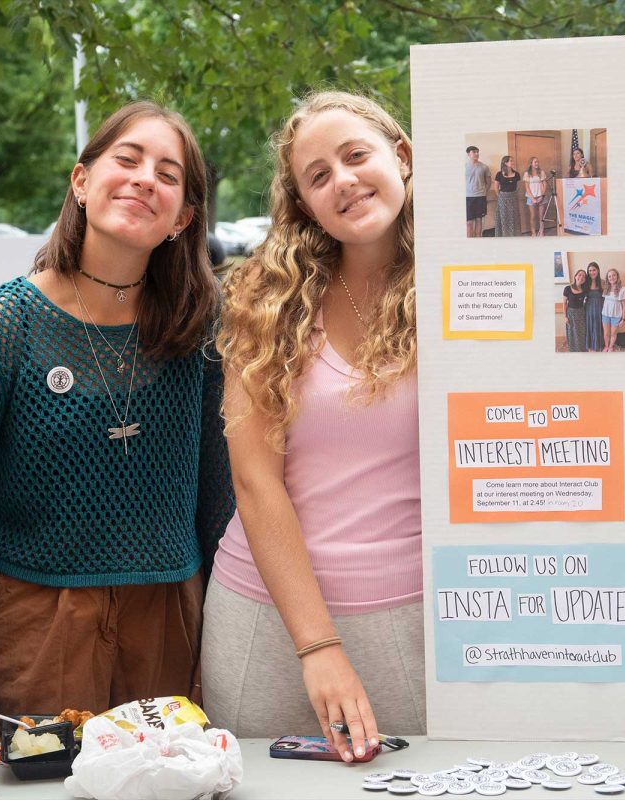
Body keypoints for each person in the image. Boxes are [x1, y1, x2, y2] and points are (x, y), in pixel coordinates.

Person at [0, 101, 234, 750]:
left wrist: (215, 656)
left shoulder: (202, 333)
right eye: (128, 159)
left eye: (169, 174)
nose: (146, 179)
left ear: (183, 219)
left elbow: (220, 508)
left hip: (170, 621)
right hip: (37, 625)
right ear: (81, 182)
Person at [205, 91, 421, 760]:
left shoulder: (476, 284)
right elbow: (254, 480)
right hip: (266, 620)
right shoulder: (265, 301)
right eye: (318, 176)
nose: (344, 182)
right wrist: (318, 645)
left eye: (356, 156)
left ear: (403, 157)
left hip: (415, 618)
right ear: (303, 203)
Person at [491, 155, 521, 237]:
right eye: (511, 161)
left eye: (512, 160)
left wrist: (513, 194)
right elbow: (496, 186)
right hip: (503, 199)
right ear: (505, 163)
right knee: (504, 218)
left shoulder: (517, 174)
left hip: (513, 198)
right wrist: (500, 196)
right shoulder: (499, 174)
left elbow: (518, 186)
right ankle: (504, 235)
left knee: (514, 217)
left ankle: (515, 235)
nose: (513, 162)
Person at [464, 145, 490, 237]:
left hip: (480, 197)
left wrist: (484, 193)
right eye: (474, 152)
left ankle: (478, 240)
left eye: (477, 152)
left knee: (479, 220)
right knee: (469, 222)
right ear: (468, 154)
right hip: (467, 198)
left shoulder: (484, 167)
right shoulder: (463, 167)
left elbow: (488, 182)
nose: (476, 154)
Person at [602, 268, 625, 351]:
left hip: (616, 316)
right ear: (607, 278)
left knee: (613, 333)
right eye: (609, 276)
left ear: (617, 276)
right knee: (606, 333)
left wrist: (623, 319)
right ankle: (606, 346)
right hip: (605, 314)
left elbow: (624, 305)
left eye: (613, 275)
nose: (611, 277)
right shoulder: (606, 288)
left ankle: (610, 347)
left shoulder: (622, 289)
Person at [562, 269, 588, 352]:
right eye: (580, 275)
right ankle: (573, 349)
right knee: (572, 332)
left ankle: (582, 349)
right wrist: (565, 316)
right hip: (571, 314)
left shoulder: (585, 290)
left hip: (581, 313)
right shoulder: (567, 288)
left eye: (584, 276)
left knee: (581, 332)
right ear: (575, 276)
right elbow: (564, 303)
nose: (581, 277)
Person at [524, 156, 547, 237]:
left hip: (541, 196)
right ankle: (533, 232)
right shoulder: (527, 173)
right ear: (531, 163)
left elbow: (544, 184)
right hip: (531, 198)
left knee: (541, 216)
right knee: (533, 216)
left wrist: (542, 196)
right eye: (535, 162)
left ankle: (541, 231)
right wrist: (532, 198)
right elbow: (527, 187)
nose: (537, 163)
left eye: (538, 162)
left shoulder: (541, 172)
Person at [584, 261, 604, 351]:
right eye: (590, 270)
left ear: (598, 270)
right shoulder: (585, 283)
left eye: (594, 270)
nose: (592, 272)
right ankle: (591, 344)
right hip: (588, 308)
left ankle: (599, 344)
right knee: (590, 325)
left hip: (600, 307)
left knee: (598, 325)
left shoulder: (603, 282)